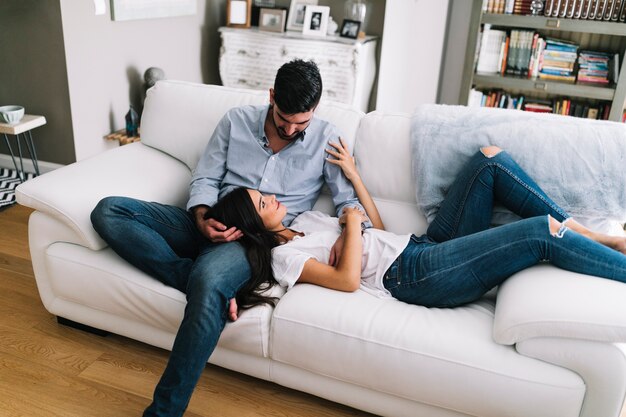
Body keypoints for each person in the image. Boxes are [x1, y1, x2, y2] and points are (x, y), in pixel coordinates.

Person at [90, 59, 369, 417]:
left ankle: (163, 412)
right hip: (210, 219)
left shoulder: (327, 138)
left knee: (208, 280)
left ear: (315, 109)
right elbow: (205, 177)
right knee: (109, 211)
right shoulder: (236, 122)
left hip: (251, 242)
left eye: (302, 121)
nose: (290, 128)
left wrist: (351, 227)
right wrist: (202, 216)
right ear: (272, 96)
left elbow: (349, 203)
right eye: (284, 118)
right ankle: (190, 276)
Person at [210, 141, 626, 310]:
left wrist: (354, 179)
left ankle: (583, 231)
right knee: (536, 233)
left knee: (490, 159)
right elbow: (348, 279)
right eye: (264, 203)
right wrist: (350, 228)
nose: (274, 197)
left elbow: (377, 225)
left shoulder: (306, 220)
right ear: (254, 225)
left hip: (423, 245)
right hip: (415, 276)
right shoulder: (283, 256)